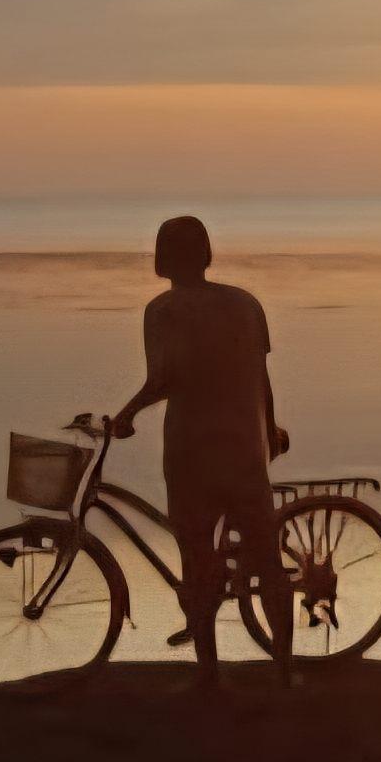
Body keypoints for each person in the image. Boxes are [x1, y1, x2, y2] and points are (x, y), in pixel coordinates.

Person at [108, 215, 292, 689]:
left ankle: (208, 673)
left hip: (193, 450)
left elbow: (164, 379)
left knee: (196, 558)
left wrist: (124, 415)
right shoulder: (246, 304)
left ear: (162, 258)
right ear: (206, 253)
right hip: (245, 446)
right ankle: (285, 671)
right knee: (266, 557)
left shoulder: (163, 310)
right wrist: (268, 429)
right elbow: (261, 377)